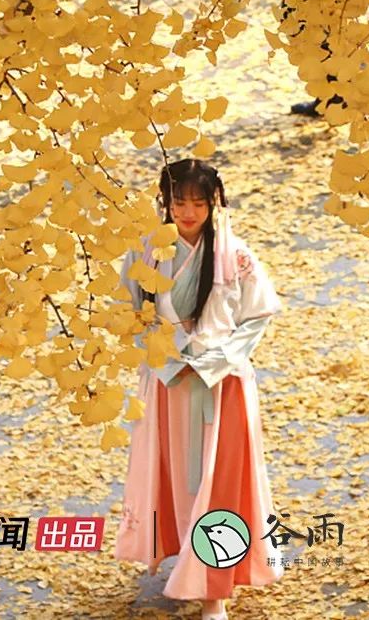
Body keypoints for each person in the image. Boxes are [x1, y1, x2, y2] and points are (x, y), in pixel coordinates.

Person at [114, 158, 285, 620]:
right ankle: (177, 554)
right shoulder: (145, 252)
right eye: (179, 203)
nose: (188, 213)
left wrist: (214, 359)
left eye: (198, 203)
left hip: (221, 383)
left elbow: (259, 313)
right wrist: (163, 355)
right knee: (173, 477)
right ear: (165, 203)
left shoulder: (235, 253)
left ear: (214, 204)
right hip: (168, 381)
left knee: (220, 482)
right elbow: (125, 312)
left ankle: (214, 592)